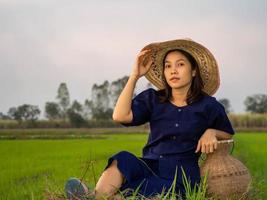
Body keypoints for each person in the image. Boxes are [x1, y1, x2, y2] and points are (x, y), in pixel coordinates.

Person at [65, 39, 235, 199]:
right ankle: (95, 196)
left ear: (193, 71)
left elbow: (227, 133)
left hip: (180, 177)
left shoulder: (208, 105)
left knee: (161, 191)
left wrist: (212, 131)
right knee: (122, 158)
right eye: (167, 66)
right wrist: (134, 76)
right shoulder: (153, 99)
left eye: (180, 64)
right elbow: (120, 116)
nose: (173, 70)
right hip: (149, 166)